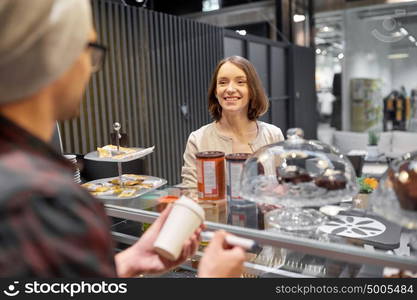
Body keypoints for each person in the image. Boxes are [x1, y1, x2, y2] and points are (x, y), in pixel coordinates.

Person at [0, 0, 245, 277]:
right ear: (53, 54)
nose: (90, 69)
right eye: (88, 48)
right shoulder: (43, 202)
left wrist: (127, 262)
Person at [181, 56, 284, 188]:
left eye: (240, 82)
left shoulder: (273, 135)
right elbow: (190, 191)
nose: (230, 89)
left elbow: (282, 187)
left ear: (253, 90)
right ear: (215, 92)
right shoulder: (198, 139)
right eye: (222, 82)